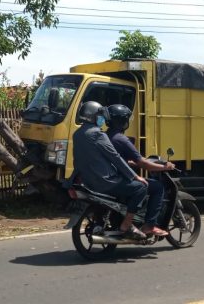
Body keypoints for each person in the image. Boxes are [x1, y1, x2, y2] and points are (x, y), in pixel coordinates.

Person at [71, 101, 148, 240]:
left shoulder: (77, 134)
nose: (103, 120)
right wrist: (135, 176)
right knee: (140, 188)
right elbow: (115, 158)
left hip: (86, 180)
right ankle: (127, 226)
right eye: (100, 116)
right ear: (94, 116)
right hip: (104, 181)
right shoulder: (98, 134)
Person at [106, 104, 175, 237]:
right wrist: (165, 167)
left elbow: (121, 160)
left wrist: (134, 163)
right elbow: (143, 162)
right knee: (157, 187)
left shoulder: (107, 136)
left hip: (110, 175)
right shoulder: (121, 139)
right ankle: (149, 225)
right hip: (119, 178)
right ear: (122, 121)